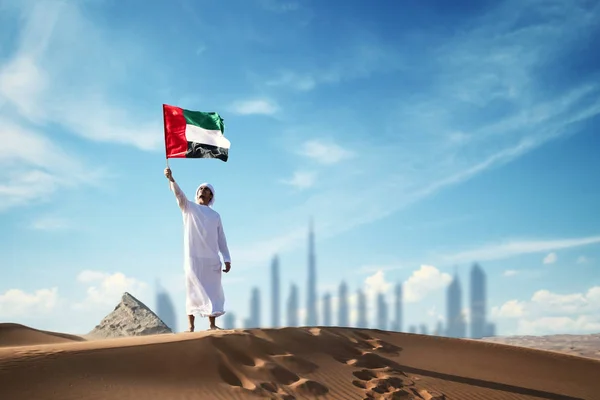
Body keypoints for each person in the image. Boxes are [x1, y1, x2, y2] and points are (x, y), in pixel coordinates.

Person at [164, 167, 232, 332]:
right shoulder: (189, 208)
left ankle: (212, 325)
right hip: (193, 258)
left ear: (211, 196)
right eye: (201, 188)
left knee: (213, 291)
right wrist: (171, 179)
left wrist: (227, 258)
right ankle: (191, 327)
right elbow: (179, 195)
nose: (203, 191)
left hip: (211, 260)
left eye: (206, 189)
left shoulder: (215, 216)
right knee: (192, 290)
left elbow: (221, 238)